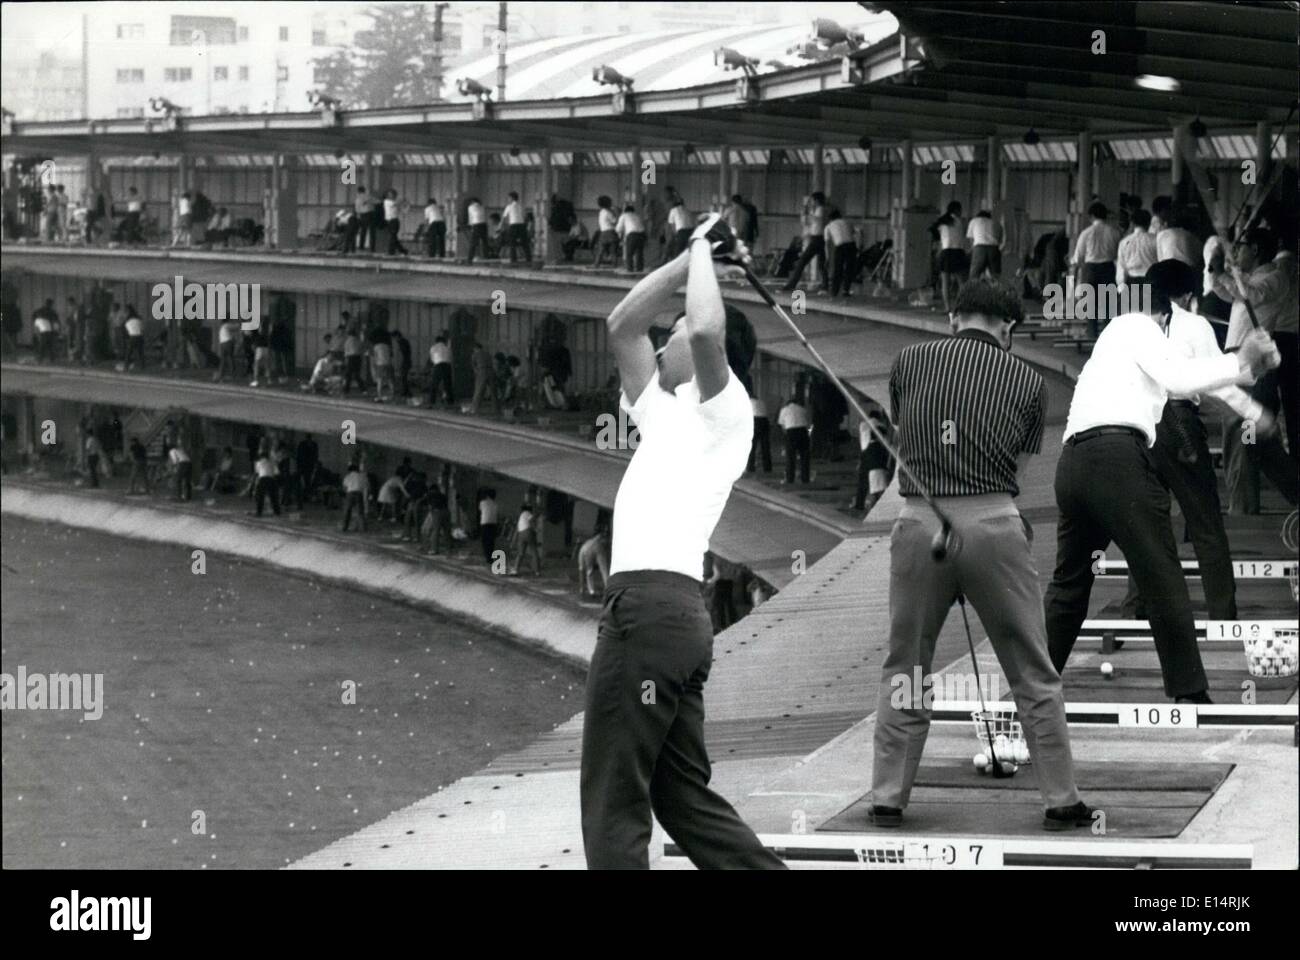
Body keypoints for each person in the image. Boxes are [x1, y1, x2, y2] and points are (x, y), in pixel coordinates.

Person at [580, 211, 784, 870]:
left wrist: (702, 252)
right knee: (680, 796)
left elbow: (701, 326)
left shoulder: (724, 411)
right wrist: (692, 255)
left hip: (645, 615)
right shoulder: (666, 413)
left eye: (673, 338)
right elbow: (622, 325)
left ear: (696, 359)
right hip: (673, 621)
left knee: (613, 798)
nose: (663, 339)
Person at [870, 277, 1089, 831]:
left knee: (907, 665)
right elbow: (1016, 468)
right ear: (1009, 328)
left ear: (952, 317)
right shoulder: (1029, 380)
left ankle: (888, 797)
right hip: (994, 525)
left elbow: (906, 428)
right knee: (1032, 668)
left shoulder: (907, 360)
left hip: (919, 524)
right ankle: (1061, 799)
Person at [1044, 260, 1280, 703]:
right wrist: (1241, 359)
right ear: (1166, 312)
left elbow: (1197, 377)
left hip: (1073, 465)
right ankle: (1189, 691)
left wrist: (1253, 365)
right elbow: (1179, 379)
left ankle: (1033, 685)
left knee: (1070, 585)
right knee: (1162, 574)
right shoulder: (1142, 326)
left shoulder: (1113, 337)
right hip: (1116, 460)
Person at [1119, 284, 1270, 622]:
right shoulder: (1188, 326)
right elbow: (1212, 381)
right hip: (1176, 422)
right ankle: (1222, 613)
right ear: (1182, 299)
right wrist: (1254, 407)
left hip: (1136, 427)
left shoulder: (1124, 327)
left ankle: (1134, 609)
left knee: (1144, 525)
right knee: (1205, 522)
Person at [1206, 227, 1298, 513]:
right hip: (1242, 362)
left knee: (1240, 431)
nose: (1237, 252)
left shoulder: (1275, 277)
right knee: (1259, 442)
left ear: (1256, 250)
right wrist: (1217, 267)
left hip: (1253, 367)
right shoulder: (1253, 279)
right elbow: (1223, 289)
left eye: (1241, 247)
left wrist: (1229, 269)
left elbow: (1249, 293)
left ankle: (1242, 507)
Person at [1071, 201, 1122, 338]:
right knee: (1108, 306)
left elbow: (1078, 257)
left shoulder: (1086, 233)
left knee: (1091, 306)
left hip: (1090, 269)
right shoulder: (1114, 232)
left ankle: (1092, 335)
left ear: (1092, 216)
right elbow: (1120, 253)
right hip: (1108, 268)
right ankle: (1108, 337)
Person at [783, 192, 829, 293]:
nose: (811, 203)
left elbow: (814, 220)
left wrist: (807, 211)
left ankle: (792, 284)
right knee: (822, 263)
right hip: (818, 238)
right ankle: (825, 285)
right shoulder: (818, 209)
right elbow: (808, 222)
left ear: (816, 201)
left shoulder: (820, 209)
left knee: (802, 261)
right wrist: (806, 213)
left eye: (812, 200)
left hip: (817, 238)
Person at [851, 409, 893, 513]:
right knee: (878, 484)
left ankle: (859, 505)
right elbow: (887, 443)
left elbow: (863, 444)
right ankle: (878, 507)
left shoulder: (863, 425)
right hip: (878, 456)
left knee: (863, 481)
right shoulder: (882, 426)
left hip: (866, 454)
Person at [1117, 208, 1158, 289]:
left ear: (1132, 223)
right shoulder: (1156, 239)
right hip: (1151, 281)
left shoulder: (1124, 241)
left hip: (1133, 281)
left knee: (1135, 301)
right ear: (1149, 222)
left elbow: (1121, 267)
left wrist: (1121, 286)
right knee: (1149, 301)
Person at [777, 392, 811, 484]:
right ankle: (805, 479)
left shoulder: (784, 410)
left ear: (788, 403)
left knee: (790, 457)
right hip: (803, 432)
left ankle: (790, 479)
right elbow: (808, 424)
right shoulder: (802, 409)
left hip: (791, 432)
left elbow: (782, 425)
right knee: (804, 457)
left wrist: (786, 437)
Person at [825, 208, 857, 297]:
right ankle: (845, 290)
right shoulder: (847, 222)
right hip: (851, 245)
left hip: (840, 246)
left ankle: (834, 292)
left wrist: (828, 257)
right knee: (849, 269)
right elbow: (856, 232)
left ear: (830, 219)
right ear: (840, 216)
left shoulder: (829, 226)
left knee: (838, 269)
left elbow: (827, 244)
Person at [966, 209, 1003, 278]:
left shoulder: (974, 221)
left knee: (974, 275)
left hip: (979, 248)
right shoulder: (997, 223)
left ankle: (974, 288)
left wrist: (973, 250)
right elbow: (1000, 240)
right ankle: (996, 288)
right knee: (995, 276)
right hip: (994, 249)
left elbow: (971, 239)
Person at [510, 499, 543, 575]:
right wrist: (536, 529)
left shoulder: (521, 516)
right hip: (529, 532)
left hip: (521, 534)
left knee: (520, 553)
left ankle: (515, 570)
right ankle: (537, 571)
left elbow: (517, 530)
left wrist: (513, 542)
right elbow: (531, 520)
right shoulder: (527, 513)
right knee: (534, 552)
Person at [577, 526, 611, 598]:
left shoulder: (582, 549)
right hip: (597, 547)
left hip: (588, 550)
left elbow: (581, 571)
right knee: (604, 570)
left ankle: (592, 591)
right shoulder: (590, 542)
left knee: (589, 571)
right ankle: (608, 589)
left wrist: (581, 588)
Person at [499, 191, 530, 263]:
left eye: (509, 198)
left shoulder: (509, 207)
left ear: (512, 198)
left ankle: (513, 259)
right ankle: (529, 258)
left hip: (513, 225)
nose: (508, 199)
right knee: (524, 242)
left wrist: (500, 226)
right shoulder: (521, 206)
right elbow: (525, 216)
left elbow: (504, 217)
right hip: (521, 225)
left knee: (512, 242)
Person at [251, 445, 281, 517]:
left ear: (261, 457)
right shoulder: (272, 462)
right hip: (271, 479)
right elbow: (277, 472)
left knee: (261, 496)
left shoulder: (259, 462)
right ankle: (277, 511)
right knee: (273, 496)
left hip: (263, 479)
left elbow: (257, 473)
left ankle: (259, 512)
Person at [469, 340, 498, 414]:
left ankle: (474, 409)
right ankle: (496, 409)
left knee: (478, 390)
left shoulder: (475, 354)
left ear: (475, 348)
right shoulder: (488, 353)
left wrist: (476, 372)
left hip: (482, 371)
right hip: (491, 371)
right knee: (493, 391)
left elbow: (473, 366)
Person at [616, 204, 646, 272]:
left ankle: (630, 269)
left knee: (629, 253)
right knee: (639, 253)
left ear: (625, 211)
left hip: (632, 235)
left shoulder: (624, 216)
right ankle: (639, 269)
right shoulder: (637, 216)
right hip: (642, 235)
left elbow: (618, 229)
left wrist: (619, 235)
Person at [747, 391, 772, 474]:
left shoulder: (747, 401)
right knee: (765, 447)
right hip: (764, 422)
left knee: (751, 446)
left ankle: (750, 467)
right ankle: (767, 468)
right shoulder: (761, 402)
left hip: (754, 421)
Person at [340, 462, 368, 532]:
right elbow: (366, 486)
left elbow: (344, 487)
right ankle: (363, 528)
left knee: (347, 511)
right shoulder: (362, 476)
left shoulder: (348, 476)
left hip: (350, 493)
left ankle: (344, 527)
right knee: (360, 512)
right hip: (359, 494)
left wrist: (346, 493)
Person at [428, 333, 454, 406]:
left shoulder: (433, 347)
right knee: (448, 384)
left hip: (438, 366)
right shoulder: (447, 347)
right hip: (447, 366)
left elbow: (432, 359)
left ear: (436, 341)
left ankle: (432, 401)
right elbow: (451, 358)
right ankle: (450, 401)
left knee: (434, 384)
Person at [477, 488, 500, 565]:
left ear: (487, 495)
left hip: (485, 524)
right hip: (493, 524)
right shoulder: (495, 503)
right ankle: (490, 557)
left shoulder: (482, 502)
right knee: (491, 541)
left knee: (485, 541)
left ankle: (487, 557)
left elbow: (480, 510)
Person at [666, 195, 692, 259]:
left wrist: (675, 235)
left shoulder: (673, 210)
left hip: (682, 232)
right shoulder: (687, 210)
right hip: (690, 231)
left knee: (678, 251)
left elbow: (672, 225)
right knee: (687, 251)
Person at [382, 189, 407, 255]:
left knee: (393, 237)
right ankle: (403, 250)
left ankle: (391, 252)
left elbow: (402, 210)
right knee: (394, 237)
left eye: (393, 194)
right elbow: (395, 203)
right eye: (390, 194)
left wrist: (405, 205)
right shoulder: (386, 201)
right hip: (389, 221)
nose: (392, 196)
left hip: (394, 221)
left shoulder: (395, 203)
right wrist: (402, 200)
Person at [465, 197, 488, 262]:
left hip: (476, 225)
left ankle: (469, 258)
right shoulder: (482, 206)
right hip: (483, 224)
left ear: (472, 201)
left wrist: (471, 226)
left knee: (473, 242)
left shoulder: (470, 207)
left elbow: (470, 217)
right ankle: (486, 257)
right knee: (484, 242)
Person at [354, 186, 375, 252]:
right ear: (364, 190)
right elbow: (377, 202)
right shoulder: (369, 196)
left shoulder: (358, 198)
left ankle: (361, 246)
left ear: (358, 191)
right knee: (372, 231)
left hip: (363, 215)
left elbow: (357, 209)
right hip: (371, 214)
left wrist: (358, 216)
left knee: (363, 231)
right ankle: (372, 247)